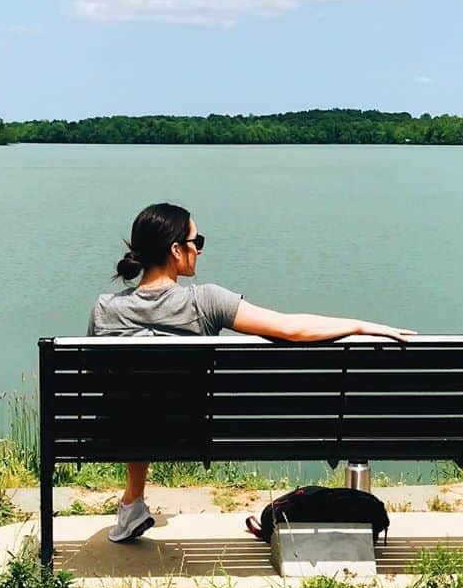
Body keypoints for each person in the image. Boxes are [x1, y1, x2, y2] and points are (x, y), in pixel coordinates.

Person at [88, 202, 417, 543]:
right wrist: (362, 326)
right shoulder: (206, 301)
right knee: (150, 402)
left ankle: (132, 503)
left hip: (120, 432)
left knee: (135, 402)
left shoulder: (105, 309)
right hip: (195, 433)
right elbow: (289, 328)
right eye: (196, 242)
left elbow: (106, 384)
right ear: (175, 250)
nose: (199, 251)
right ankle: (132, 505)